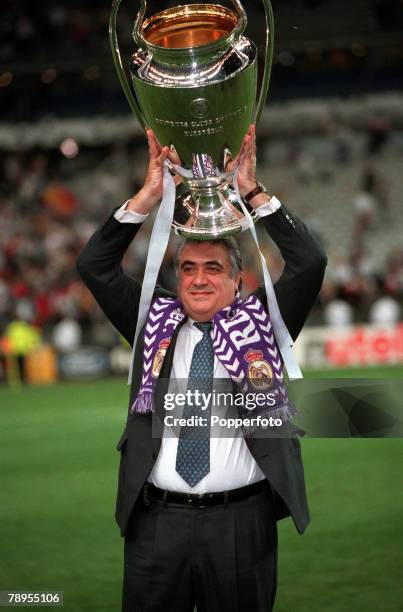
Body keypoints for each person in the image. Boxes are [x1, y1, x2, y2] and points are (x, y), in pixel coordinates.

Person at [77, 125, 327, 612]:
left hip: (241, 524)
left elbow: (309, 262)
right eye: (188, 267)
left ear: (239, 280)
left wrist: (252, 191)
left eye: (213, 268)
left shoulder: (266, 322)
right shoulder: (153, 322)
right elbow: (95, 265)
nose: (197, 278)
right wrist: (148, 197)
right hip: (156, 525)